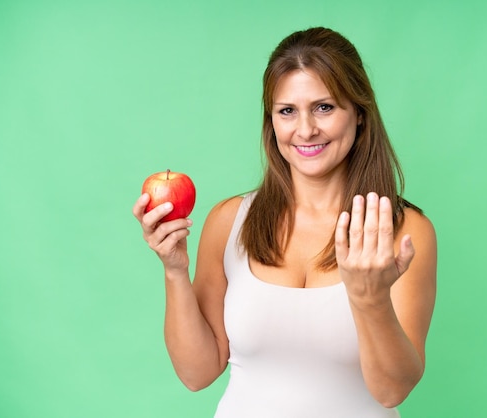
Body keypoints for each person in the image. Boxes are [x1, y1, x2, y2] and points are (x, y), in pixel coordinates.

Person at [133, 26, 437, 418]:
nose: (305, 129)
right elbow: (197, 373)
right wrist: (174, 270)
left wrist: (370, 298)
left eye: (324, 107)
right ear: (271, 121)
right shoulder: (230, 222)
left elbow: (392, 390)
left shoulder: (405, 231)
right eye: (287, 111)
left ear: (359, 115)